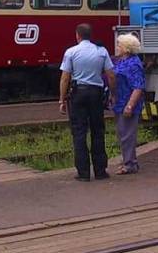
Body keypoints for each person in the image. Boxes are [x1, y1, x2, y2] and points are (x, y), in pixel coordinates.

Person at [59, 23, 116, 182]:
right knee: (98, 131)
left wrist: (61, 100)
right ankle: (100, 171)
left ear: (77, 35)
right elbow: (111, 75)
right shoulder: (101, 51)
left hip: (78, 93)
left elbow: (65, 78)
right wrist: (112, 94)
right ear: (90, 35)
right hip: (96, 94)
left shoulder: (71, 52)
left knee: (79, 132)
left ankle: (83, 172)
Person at [112, 34, 145, 175]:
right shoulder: (121, 61)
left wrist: (130, 105)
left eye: (119, 45)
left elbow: (138, 87)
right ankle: (129, 161)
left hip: (127, 104)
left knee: (128, 135)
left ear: (126, 48)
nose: (117, 47)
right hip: (119, 102)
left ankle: (130, 164)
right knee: (123, 133)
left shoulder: (133, 64)